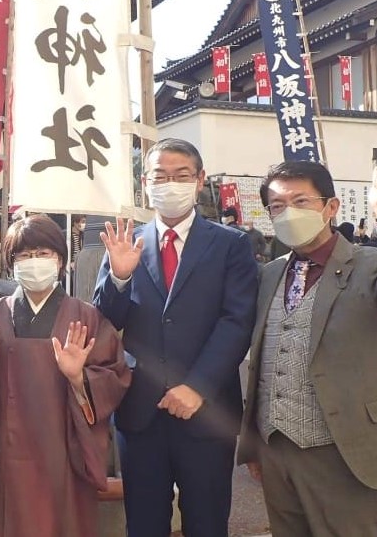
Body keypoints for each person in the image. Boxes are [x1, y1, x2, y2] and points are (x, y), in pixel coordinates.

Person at [238, 163, 377, 537]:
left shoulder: (369, 264)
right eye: (277, 205)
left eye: (300, 201)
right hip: (276, 445)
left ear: (331, 207)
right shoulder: (270, 273)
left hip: (342, 447)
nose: (288, 212)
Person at [93, 138, 258, 536]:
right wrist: (119, 276)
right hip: (140, 410)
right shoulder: (125, 242)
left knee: (207, 521)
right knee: (144, 522)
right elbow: (106, 319)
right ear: (145, 184)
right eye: (159, 176)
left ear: (200, 180)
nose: (170, 184)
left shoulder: (230, 244)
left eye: (181, 175)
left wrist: (196, 386)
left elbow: (237, 322)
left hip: (207, 410)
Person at [0, 215, 130, 536]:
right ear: (12, 263)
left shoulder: (86, 318)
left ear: (60, 260)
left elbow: (112, 376)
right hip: (8, 458)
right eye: (24, 256)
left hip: (65, 455)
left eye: (43, 253)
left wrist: (78, 379)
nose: (34, 262)